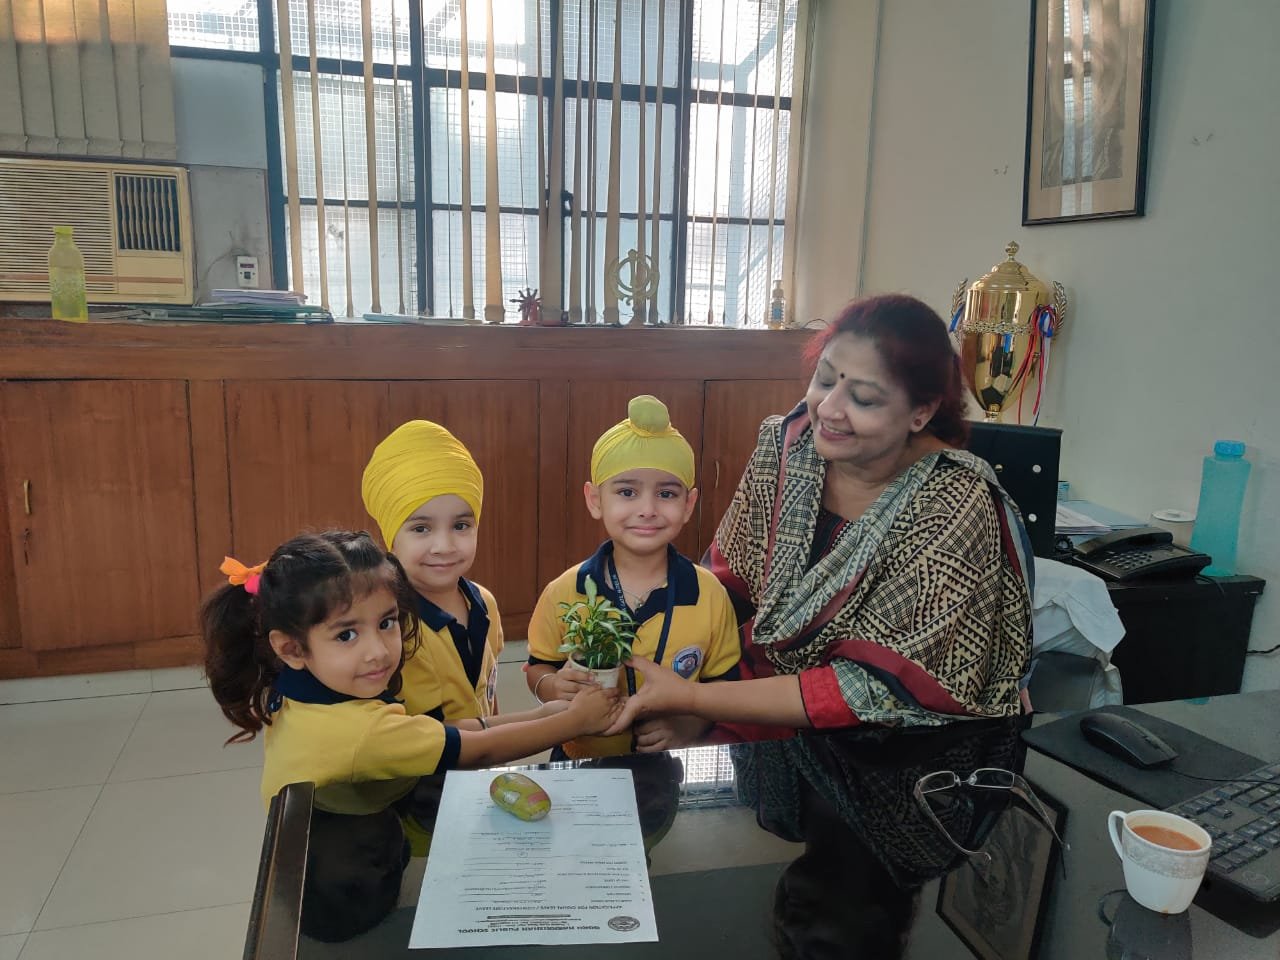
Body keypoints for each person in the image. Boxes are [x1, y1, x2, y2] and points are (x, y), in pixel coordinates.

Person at [607, 293, 1033, 736]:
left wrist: (695, 703)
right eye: (824, 379)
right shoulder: (788, 446)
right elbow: (724, 590)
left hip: (882, 739)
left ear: (920, 413)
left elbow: (879, 689)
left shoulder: (953, 500)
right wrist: (652, 671)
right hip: (744, 685)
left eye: (863, 399)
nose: (829, 409)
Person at [203, 530, 619, 941]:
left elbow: (431, 732)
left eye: (386, 623)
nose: (379, 651)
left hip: (312, 849)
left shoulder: (300, 682)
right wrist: (573, 723)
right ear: (292, 648)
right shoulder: (360, 731)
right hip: (341, 885)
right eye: (347, 634)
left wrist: (539, 714)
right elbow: (477, 750)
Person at [526, 395, 741, 757]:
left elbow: (724, 685)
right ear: (595, 500)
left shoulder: (709, 593)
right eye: (627, 492)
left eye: (666, 493)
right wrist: (550, 686)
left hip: (667, 760)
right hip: (579, 757)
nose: (647, 509)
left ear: (688, 505)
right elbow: (538, 665)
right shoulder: (564, 590)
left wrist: (689, 725)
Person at [361, 420, 502, 722]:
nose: (444, 546)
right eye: (421, 529)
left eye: (460, 526)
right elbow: (428, 737)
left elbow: (488, 692)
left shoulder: (484, 603)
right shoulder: (388, 626)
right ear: (391, 536)